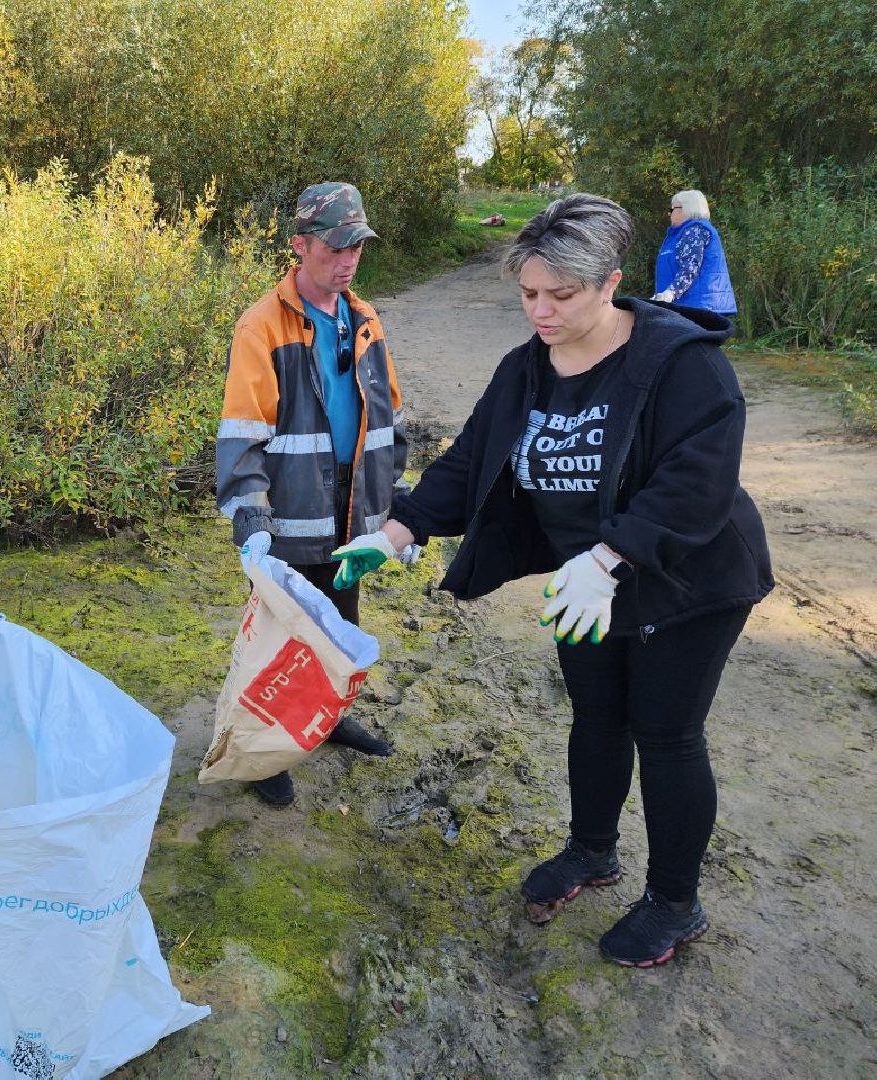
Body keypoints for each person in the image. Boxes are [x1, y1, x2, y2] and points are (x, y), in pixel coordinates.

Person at [341, 193, 772, 967]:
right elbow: (472, 459)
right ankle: (592, 850)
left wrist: (609, 559)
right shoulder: (526, 370)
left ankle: (675, 903)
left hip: (687, 579)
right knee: (597, 716)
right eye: (529, 294)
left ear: (610, 284)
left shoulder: (681, 363)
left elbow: (695, 484)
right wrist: (397, 530)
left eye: (561, 295)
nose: (540, 312)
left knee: (666, 734)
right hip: (585, 579)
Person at [216, 181, 413, 808]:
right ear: (301, 245)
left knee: (340, 625)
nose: (348, 259)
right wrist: (252, 521)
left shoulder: (366, 319)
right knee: (279, 642)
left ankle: (328, 721)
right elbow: (243, 433)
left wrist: (397, 507)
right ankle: (262, 753)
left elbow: (387, 419)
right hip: (290, 521)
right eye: (335, 246)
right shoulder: (262, 325)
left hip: (353, 517)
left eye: (357, 246)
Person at [652, 189, 737, 315]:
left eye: (673, 209)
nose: (670, 214)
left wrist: (671, 292)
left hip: (698, 306)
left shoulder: (695, 230)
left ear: (687, 209)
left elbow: (690, 266)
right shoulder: (679, 234)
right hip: (688, 305)